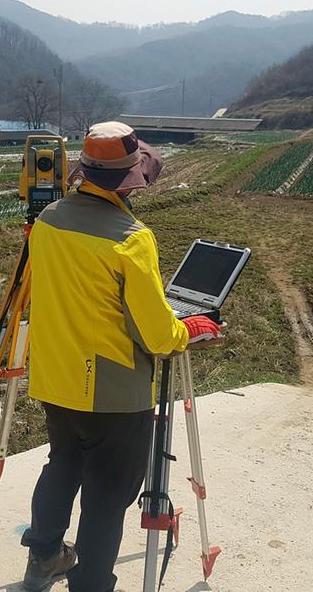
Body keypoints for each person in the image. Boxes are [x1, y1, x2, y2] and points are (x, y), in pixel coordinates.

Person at [21, 121, 222, 591]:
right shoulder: (131, 238)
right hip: (111, 394)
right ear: (131, 179)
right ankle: (90, 584)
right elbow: (156, 334)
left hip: (55, 379)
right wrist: (189, 327)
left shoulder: (47, 221)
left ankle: (45, 556)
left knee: (62, 464)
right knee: (108, 496)